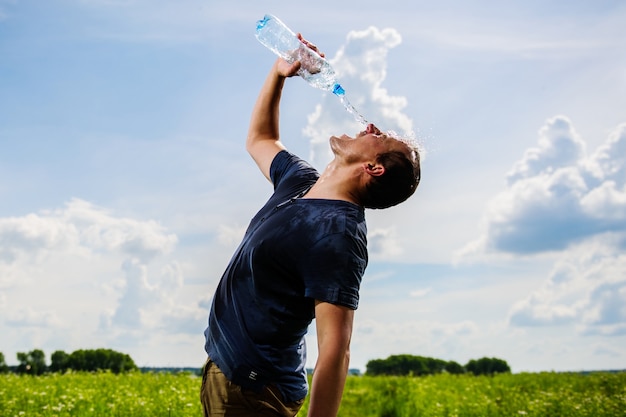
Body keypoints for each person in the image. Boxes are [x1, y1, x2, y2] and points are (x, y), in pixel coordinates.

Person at [201, 34, 421, 417]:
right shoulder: (301, 181)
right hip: (229, 375)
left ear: (373, 168)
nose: (369, 127)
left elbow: (336, 348)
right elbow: (260, 139)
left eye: (379, 136)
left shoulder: (338, 235)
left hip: (254, 392)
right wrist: (280, 72)